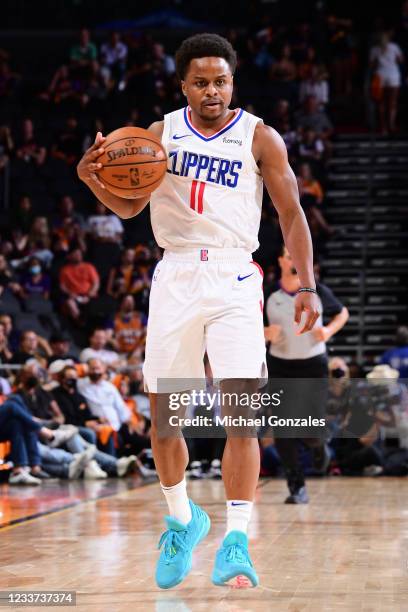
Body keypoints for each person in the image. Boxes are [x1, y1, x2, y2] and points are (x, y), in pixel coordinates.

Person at [77, 33, 320, 589]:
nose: (213, 90)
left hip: (236, 273)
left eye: (222, 81)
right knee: (167, 419)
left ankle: (236, 539)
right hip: (176, 273)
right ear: (183, 84)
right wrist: (92, 179)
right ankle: (183, 522)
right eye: (201, 81)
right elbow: (131, 204)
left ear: (233, 83)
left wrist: (306, 286)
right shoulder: (158, 134)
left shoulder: (260, 137)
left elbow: (291, 213)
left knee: (243, 416)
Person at [264, 245, 349, 502]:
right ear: (281, 260)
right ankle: (296, 487)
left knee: (309, 428)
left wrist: (329, 331)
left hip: (312, 364)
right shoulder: (267, 293)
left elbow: (342, 313)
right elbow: (246, 323)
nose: (295, 261)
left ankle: (320, 445)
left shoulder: (316, 290)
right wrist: (264, 332)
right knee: (283, 428)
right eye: (291, 256)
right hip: (279, 364)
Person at [370, 32, 404, 134]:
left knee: (382, 103)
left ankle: (384, 127)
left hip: (381, 76)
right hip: (393, 75)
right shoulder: (394, 47)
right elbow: (401, 60)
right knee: (392, 102)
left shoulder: (375, 49)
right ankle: (391, 125)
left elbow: (372, 65)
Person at [59, 247, 100, 323]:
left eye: (79, 254)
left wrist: (89, 295)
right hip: (74, 295)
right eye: (75, 254)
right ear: (70, 256)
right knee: (70, 303)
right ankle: (79, 321)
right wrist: (69, 293)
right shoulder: (65, 270)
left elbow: (96, 283)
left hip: (89, 295)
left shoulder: (89, 267)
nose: (78, 256)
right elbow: (62, 286)